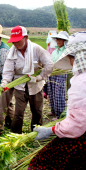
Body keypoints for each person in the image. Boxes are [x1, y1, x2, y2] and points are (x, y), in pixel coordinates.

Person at [29, 31, 86, 170]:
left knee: (39, 163)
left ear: (79, 57)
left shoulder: (81, 81)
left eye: (71, 58)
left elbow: (78, 124)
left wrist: (51, 130)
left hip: (81, 138)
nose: (71, 62)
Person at [1, 25, 54, 134]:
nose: (15, 44)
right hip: (20, 86)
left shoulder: (36, 49)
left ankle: (37, 133)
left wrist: (39, 77)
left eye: (17, 41)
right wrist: (5, 82)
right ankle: (15, 135)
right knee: (18, 112)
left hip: (36, 86)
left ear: (25, 38)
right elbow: (8, 70)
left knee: (37, 111)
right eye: (13, 41)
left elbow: (49, 65)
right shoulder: (12, 52)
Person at [47, 31, 69, 120]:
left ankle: (60, 114)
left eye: (61, 39)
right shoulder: (55, 51)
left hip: (60, 74)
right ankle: (53, 111)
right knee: (51, 92)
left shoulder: (66, 51)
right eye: (57, 39)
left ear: (65, 41)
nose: (58, 41)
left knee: (59, 94)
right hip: (52, 73)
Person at [43, 31, 57, 99]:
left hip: (55, 66)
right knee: (47, 80)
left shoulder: (56, 47)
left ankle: (46, 92)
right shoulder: (49, 46)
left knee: (52, 82)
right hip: (49, 65)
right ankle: (46, 92)